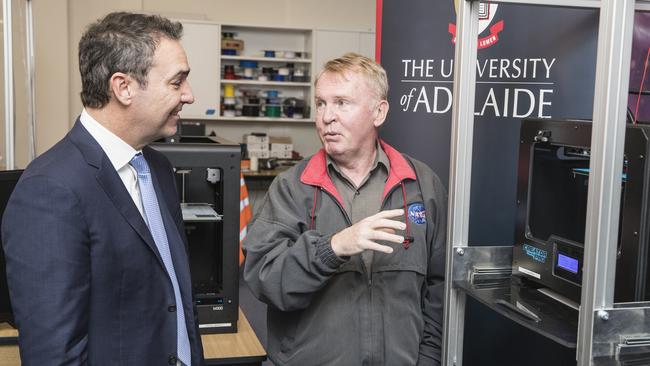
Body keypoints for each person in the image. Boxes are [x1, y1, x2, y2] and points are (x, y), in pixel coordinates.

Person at [2, 12, 204, 365]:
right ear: (123, 87)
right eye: (177, 82)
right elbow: (54, 354)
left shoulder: (158, 168)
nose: (189, 95)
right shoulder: (50, 190)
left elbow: (172, 294)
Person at [243, 52, 447, 365]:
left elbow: (439, 288)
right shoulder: (291, 187)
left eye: (342, 103)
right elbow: (265, 281)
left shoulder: (422, 185)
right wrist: (334, 247)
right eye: (321, 103)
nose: (326, 117)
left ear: (379, 112)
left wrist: (430, 358)